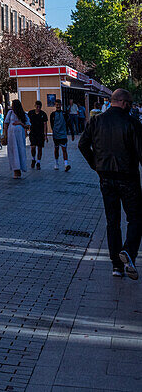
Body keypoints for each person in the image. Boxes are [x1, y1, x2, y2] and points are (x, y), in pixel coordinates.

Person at [79, 87, 142, 279]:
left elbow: (83, 144)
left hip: (105, 177)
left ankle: (117, 266)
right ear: (123, 103)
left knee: (112, 221)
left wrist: (96, 165)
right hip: (127, 177)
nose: (130, 107)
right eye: (129, 104)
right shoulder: (132, 122)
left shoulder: (97, 121)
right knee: (136, 218)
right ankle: (128, 252)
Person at [5, 99, 30, 178]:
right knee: (13, 151)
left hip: (19, 135)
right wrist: (5, 135)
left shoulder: (24, 114)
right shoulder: (10, 113)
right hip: (11, 135)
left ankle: (19, 169)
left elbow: (28, 125)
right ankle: (15, 170)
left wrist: (20, 123)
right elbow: (6, 123)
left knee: (19, 150)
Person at [50, 99, 71, 171]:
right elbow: (51, 124)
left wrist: (72, 133)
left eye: (59, 104)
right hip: (56, 135)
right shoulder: (52, 114)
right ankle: (56, 163)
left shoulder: (64, 113)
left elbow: (68, 123)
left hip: (63, 134)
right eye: (57, 104)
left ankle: (66, 164)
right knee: (56, 149)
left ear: (61, 105)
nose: (58, 106)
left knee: (64, 149)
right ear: (55, 105)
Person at [28, 100, 49, 169]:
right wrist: (26, 130)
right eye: (37, 106)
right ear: (35, 106)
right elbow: (27, 121)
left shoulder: (43, 114)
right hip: (33, 133)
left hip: (40, 134)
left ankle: (38, 162)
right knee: (33, 147)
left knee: (40, 148)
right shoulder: (31, 113)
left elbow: (45, 125)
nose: (38, 108)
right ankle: (33, 159)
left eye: (39, 107)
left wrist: (45, 135)